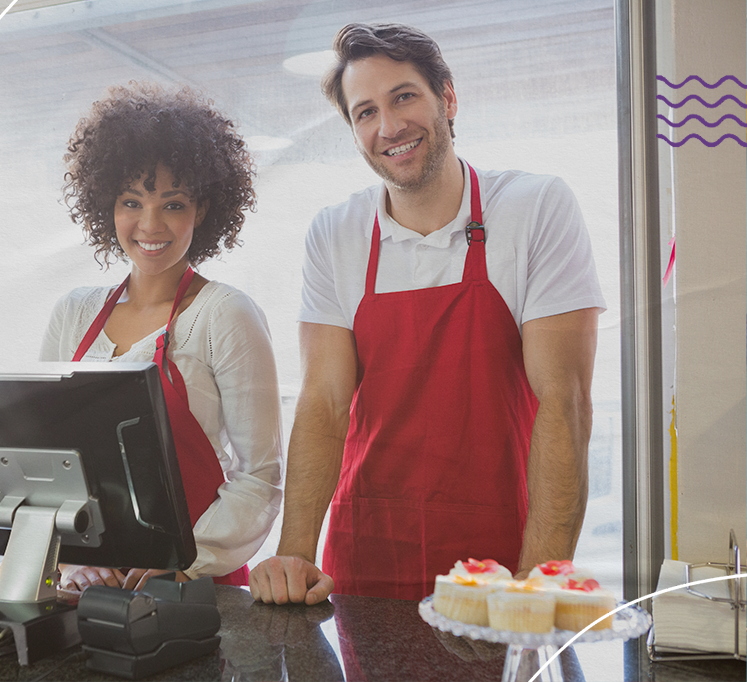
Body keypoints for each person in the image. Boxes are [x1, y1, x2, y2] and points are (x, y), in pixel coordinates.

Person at [249, 23, 605, 604]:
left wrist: (537, 580)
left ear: (448, 98)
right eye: (365, 112)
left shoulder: (535, 207)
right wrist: (293, 555)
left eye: (404, 97)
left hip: (502, 559)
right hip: (366, 558)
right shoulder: (335, 233)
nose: (388, 127)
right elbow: (324, 403)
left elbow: (563, 402)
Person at [40, 82, 283, 594]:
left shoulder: (225, 314)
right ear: (106, 203)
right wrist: (68, 563)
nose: (150, 225)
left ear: (204, 209)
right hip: (91, 584)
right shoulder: (73, 314)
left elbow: (259, 477)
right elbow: (44, 460)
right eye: (132, 201)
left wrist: (184, 561)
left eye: (173, 204)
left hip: (192, 586)